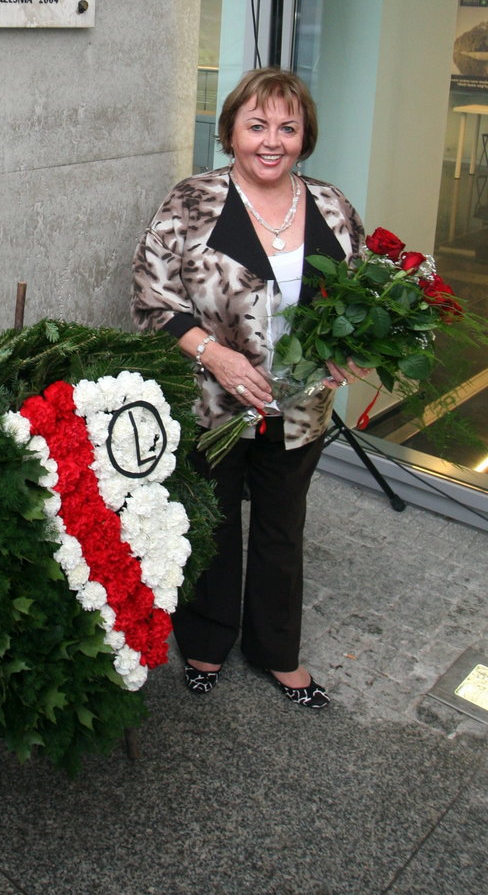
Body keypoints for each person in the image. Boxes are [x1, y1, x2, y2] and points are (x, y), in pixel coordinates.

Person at [132, 67, 364, 709]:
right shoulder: (192, 201)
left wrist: (350, 342)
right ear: (231, 130)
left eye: (287, 128)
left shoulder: (331, 206)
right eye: (256, 124)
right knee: (213, 518)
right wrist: (218, 357)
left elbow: (359, 291)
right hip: (214, 404)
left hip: (300, 406)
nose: (272, 140)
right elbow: (151, 295)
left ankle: (277, 651)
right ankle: (207, 638)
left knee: (282, 526)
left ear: (304, 137)